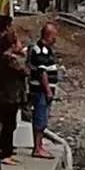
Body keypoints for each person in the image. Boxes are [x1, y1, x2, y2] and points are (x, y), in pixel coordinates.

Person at [0, 16, 27, 166]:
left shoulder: (5, 58)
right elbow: (24, 70)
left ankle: (6, 151)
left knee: (8, 124)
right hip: (9, 96)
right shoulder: (9, 60)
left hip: (9, 95)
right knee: (8, 125)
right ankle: (5, 152)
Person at [28, 21, 59, 160]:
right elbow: (42, 72)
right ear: (49, 35)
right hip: (40, 91)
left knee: (43, 118)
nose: (56, 39)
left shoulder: (47, 49)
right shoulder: (40, 50)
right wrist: (48, 91)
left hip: (44, 90)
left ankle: (39, 145)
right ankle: (37, 147)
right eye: (54, 36)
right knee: (40, 118)